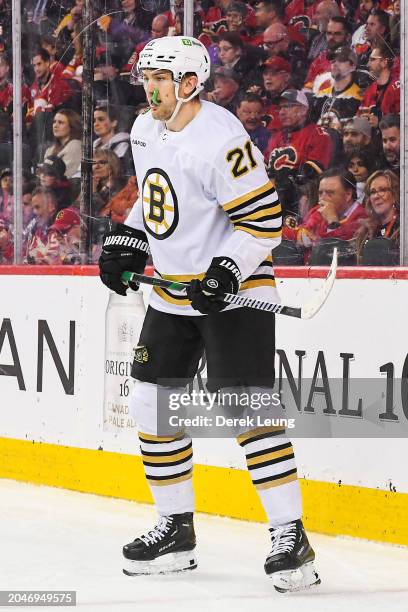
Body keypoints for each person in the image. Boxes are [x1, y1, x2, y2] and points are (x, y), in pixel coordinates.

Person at [98, 35, 320, 592]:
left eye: (160, 78)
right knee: (152, 402)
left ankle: (291, 537)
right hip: (173, 291)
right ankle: (175, 528)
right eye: (145, 76)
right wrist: (128, 239)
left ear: (189, 83)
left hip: (236, 290)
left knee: (246, 411)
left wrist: (225, 271)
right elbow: (157, 201)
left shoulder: (223, 139)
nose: (149, 88)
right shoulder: (148, 128)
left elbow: (264, 222)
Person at [356, 169, 399, 261]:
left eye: (382, 190)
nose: (376, 196)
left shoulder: (403, 229)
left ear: (394, 195)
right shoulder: (365, 231)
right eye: (372, 192)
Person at [93, 104, 134, 175]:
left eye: (101, 119)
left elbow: (116, 170)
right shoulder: (93, 145)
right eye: (94, 120)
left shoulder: (123, 144)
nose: (96, 124)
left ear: (114, 123)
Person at [43, 109, 82, 178]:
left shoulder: (75, 145)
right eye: (54, 122)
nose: (55, 125)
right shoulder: (49, 150)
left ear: (72, 126)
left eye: (60, 122)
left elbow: (67, 175)